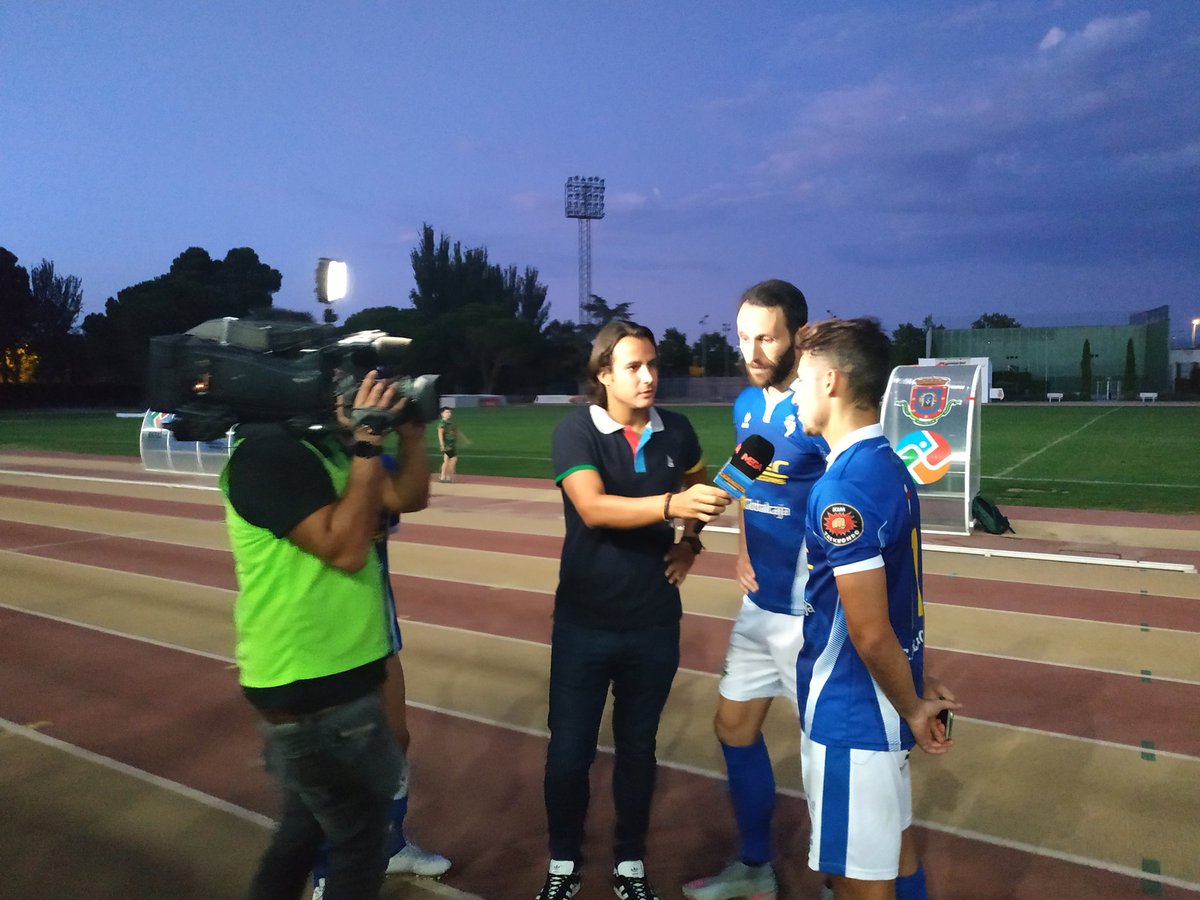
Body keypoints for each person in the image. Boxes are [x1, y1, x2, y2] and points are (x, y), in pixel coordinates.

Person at [537, 320, 734, 900]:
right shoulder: (577, 431)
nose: (648, 377)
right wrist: (672, 504)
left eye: (652, 364)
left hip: (653, 622)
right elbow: (594, 508)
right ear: (604, 375)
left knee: (638, 750)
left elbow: (700, 486)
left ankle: (629, 862)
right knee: (568, 753)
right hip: (584, 621)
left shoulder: (677, 429)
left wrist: (691, 540)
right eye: (633, 367)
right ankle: (563, 862)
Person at [789, 318, 960, 900]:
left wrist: (913, 705)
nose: (793, 393)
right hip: (883, 700)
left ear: (830, 382)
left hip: (852, 710)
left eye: (800, 379)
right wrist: (916, 683)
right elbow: (900, 600)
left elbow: (866, 630)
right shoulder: (888, 465)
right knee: (897, 844)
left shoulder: (842, 489)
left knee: (862, 879)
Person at [220, 371, 406, 900]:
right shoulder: (267, 457)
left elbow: (401, 500)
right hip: (314, 683)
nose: (337, 386)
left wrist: (401, 437)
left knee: (306, 828)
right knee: (359, 845)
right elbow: (345, 549)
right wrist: (368, 441)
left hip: (322, 674)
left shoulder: (314, 448)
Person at [683, 280, 828, 900]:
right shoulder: (747, 405)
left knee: (826, 758)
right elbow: (747, 475)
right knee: (733, 727)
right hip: (758, 603)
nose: (752, 349)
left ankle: (841, 881)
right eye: (743, 337)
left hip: (810, 611)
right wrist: (741, 542)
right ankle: (754, 866)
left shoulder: (821, 408)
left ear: (796, 334)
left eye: (765, 336)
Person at [310, 407, 451, 898]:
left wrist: (411, 438)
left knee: (394, 741)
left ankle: (391, 844)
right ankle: (327, 870)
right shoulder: (308, 461)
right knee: (338, 760)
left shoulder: (367, 458)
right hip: (323, 631)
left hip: (377, 626)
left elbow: (411, 497)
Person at [437, 406, 459, 482]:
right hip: (447, 445)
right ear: (442, 414)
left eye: (450, 412)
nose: (449, 414)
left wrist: (454, 432)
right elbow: (440, 433)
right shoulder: (442, 423)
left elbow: (453, 432)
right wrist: (442, 444)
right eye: (447, 412)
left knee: (447, 460)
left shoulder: (449, 423)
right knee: (453, 459)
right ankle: (448, 476)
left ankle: (444, 476)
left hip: (451, 444)